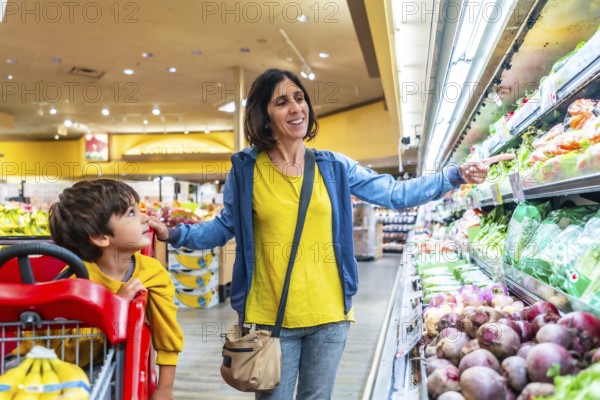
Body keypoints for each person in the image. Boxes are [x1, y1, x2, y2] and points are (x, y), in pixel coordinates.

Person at [148, 68, 510, 399]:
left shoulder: (333, 166)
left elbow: (395, 195)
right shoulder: (246, 170)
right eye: (282, 101)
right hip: (270, 318)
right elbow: (223, 226)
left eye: (299, 98)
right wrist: (176, 235)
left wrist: (453, 176)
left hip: (329, 313)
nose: (296, 108)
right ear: (265, 116)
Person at [46, 179, 183, 400]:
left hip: (103, 371)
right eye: (131, 213)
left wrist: (165, 387)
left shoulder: (153, 273)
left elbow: (167, 333)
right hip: (53, 369)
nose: (146, 217)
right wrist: (113, 307)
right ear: (101, 238)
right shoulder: (77, 278)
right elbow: (67, 351)